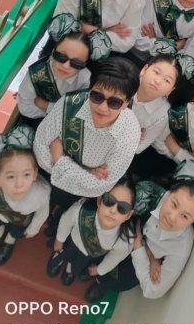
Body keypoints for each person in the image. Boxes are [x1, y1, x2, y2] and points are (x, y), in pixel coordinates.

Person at [85, 161, 194, 302]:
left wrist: (140, 247)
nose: (172, 217)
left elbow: (152, 290)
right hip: (128, 232)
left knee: (122, 278)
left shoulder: (181, 247)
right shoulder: (148, 194)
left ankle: (102, 283)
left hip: (139, 260)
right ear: (169, 194)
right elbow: (115, 212)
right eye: (174, 204)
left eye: (185, 216)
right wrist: (150, 255)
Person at [33, 58, 141, 234]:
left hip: (79, 194)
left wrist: (59, 159)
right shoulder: (69, 104)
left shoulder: (129, 131)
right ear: (90, 89)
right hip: (47, 177)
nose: (102, 108)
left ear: (127, 103)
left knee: (63, 214)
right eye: (97, 96)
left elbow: (100, 186)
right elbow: (40, 147)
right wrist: (86, 172)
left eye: (114, 102)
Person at [17, 14, 110, 127]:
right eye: (61, 57)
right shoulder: (36, 72)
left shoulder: (84, 79)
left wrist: (46, 106)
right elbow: (24, 107)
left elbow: (78, 111)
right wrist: (56, 113)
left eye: (76, 63)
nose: (66, 66)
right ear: (53, 52)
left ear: (85, 64)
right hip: (33, 121)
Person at [0, 126, 50, 265]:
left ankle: (9, 240)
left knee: (16, 231)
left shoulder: (41, 193)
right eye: (11, 176)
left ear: (35, 173)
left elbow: (42, 213)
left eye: (26, 174)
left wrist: (33, 229)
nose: (19, 184)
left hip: (21, 220)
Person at [47, 178, 137, 286]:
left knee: (77, 264)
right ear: (99, 200)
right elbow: (66, 221)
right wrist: (59, 240)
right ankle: (59, 258)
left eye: (123, 207)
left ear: (129, 215)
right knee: (64, 251)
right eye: (109, 200)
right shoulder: (82, 210)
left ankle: (70, 267)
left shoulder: (125, 239)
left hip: (88, 255)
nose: (113, 210)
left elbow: (115, 257)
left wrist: (100, 269)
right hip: (71, 242)